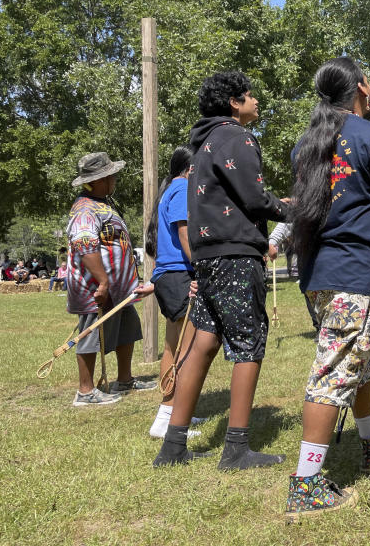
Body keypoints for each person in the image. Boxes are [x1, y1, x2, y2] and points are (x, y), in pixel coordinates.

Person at [284, 57, 370, 520]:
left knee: (359, 361)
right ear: (361, 87)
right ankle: (307, 485)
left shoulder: (307, 142)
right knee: (333, 370)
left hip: (318, 274)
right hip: (353, 272)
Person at [154, 71, 290, 470]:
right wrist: (293, 209)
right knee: (249, 343)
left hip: (207, 258)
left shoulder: (203, 145)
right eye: (250, 95)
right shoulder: (237, 137)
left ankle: (173, 446)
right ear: (234, 102)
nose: (256, 101)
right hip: (236, 256)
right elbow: (254, 196)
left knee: (204, 343)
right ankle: (236, 449)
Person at [65, 152, 156, 406]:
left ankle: (124, 379)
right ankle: (85, 391)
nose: (114, 179)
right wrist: (103, 282)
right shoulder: (84, 209)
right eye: (110, 176)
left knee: (127, 328)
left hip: (121, 289)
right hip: (96, 288)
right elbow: (86, 246)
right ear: (98, 180)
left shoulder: (102, 204)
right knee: (91, 334)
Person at [146, 145, 206, 439]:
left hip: (168, 277)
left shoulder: (170, 188)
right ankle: (168, 417)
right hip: (180, 276)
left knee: (173, 346)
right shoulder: (182, 188)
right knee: (187, 348)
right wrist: (202, 266)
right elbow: (184, 232)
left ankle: (171, 412)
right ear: (191, 169)